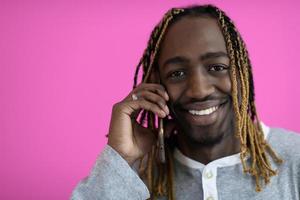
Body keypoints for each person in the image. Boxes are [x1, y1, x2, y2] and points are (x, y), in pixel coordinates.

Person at [71, 5, 300, 200]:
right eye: (177, 73)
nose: (199, 91)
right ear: (155, 83)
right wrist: (121, 158)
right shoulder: (131, 176)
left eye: (217, 68)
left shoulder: (294, 156)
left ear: (242, 74)